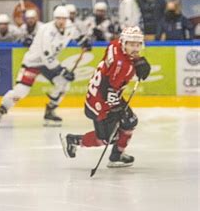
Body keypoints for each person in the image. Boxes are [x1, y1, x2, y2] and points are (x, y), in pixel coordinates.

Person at [60, 26, 151, 167]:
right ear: (124, 43)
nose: (136, 48)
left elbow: (110, 80)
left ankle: (116, 156)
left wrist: (136, 60)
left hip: (101, 94)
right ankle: (73, 140)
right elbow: (108, 91)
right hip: (100, 102)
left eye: (138, 44)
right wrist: (117, 110)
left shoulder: (114, 45)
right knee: (105, 139)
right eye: (132, 44)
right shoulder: (124, 67)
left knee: (130, 122)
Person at [0, 6, 91, 128]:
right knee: (21, 91)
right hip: (34, 62)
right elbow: (46, 56)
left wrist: (83, 42)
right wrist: (61, 70)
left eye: (64, 18)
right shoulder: (46, 31)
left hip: (49, 64)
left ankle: (50, 111)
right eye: (58, 18)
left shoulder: (70, 26)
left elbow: (75, 35)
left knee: (64, 83)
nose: (61, 21)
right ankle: (0, 110)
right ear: (54, 19)